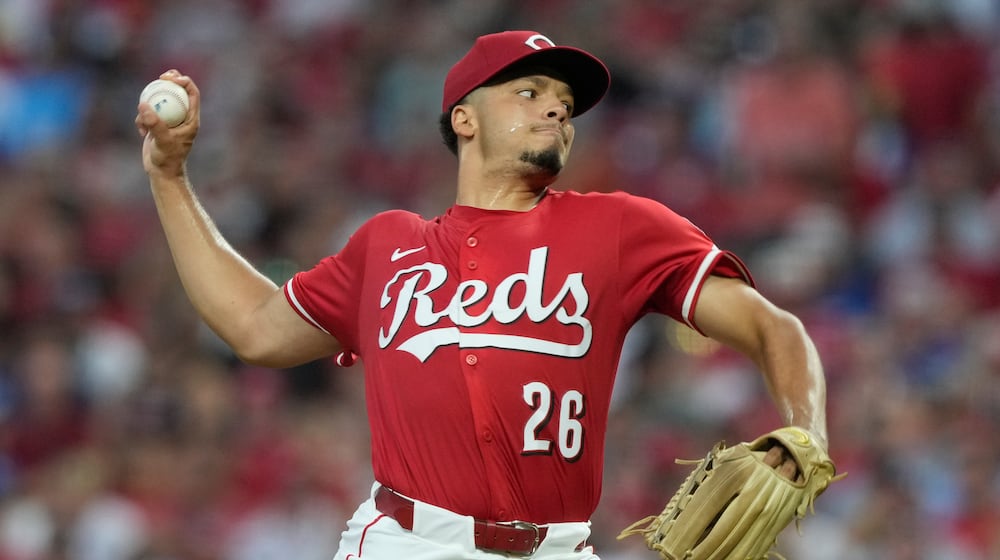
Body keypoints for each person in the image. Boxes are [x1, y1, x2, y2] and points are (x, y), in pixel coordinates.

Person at [136, 30, 830, 560]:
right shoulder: (388, 246)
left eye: (563, 102)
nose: (556, 106)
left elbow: (773, 329)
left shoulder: (619, 228)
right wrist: (170, 180)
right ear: (464, 119)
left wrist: (807, 432)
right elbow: (255, 327)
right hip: (407, 544)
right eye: (528, 92)